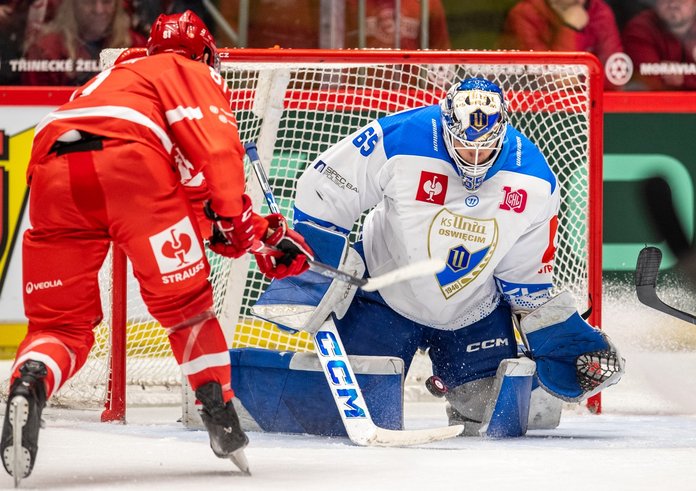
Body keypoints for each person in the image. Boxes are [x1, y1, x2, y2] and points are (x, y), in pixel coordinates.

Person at [0, 10, 312, 484]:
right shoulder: (191, 71)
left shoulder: (115, 77)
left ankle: (30, 383)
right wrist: (253, 230)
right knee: (187, 307)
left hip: (52, 169)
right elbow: (218, 157)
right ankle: (221, 418)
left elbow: (188, 200)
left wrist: (256, 231)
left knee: (61, 325)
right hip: (130, 167)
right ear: (206, 53)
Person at [253, 77, 624, 436]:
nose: (475, 157)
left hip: (473, 312)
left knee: (496, 417)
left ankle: (512, 383)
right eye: (465, 146)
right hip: (384, 298)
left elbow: (523, 275)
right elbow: (326, 190)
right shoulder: (401, 137)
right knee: (349, 412)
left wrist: (555, 330)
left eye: (485, 147)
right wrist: (316, 259)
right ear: (446, 126)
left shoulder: (535, 181)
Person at [215, 0, 449, 49]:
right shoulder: (346, 6)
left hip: (407, 99)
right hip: (352, 102)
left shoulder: (427, 4)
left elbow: (440, 56)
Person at [499, 0, 623, 90]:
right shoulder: (524, 14)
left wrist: (579, 79)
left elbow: (614, 78)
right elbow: (552, 80)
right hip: (540, 108)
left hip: (592, 105)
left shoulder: (599, 11)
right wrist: (569, 28)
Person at [21, 0, 146, 86]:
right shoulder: (45, 49)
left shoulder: (138, 46)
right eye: (89, 1)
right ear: (73, 5)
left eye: (107, 1)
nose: (99, 10)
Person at [622, 0, 696, 90]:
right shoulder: (640, 28)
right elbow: (648, 80)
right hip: (653, 102)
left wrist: (684, 78)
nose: (673, 3)